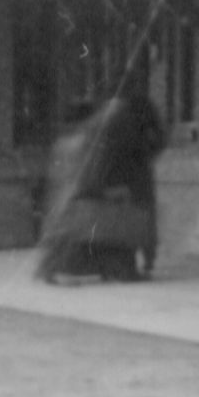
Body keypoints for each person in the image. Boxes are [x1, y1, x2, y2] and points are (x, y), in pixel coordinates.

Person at [33, 85, 168, 285]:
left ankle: (58, 265)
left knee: (95, 231)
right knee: (123, 229)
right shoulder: (127, 118)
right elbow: (152, 145)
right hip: (116, 181)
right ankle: (125, 268)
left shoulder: (102, 119)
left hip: (98, 183)